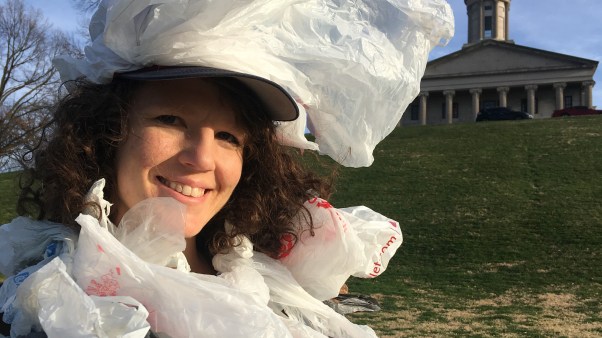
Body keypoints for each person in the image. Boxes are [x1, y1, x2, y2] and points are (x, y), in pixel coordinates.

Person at [0, 0, 453, 337]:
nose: (201, 159)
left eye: (229, 137)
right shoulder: (41, 303)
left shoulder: (275, 294)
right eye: (171, 120)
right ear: (105, 132)